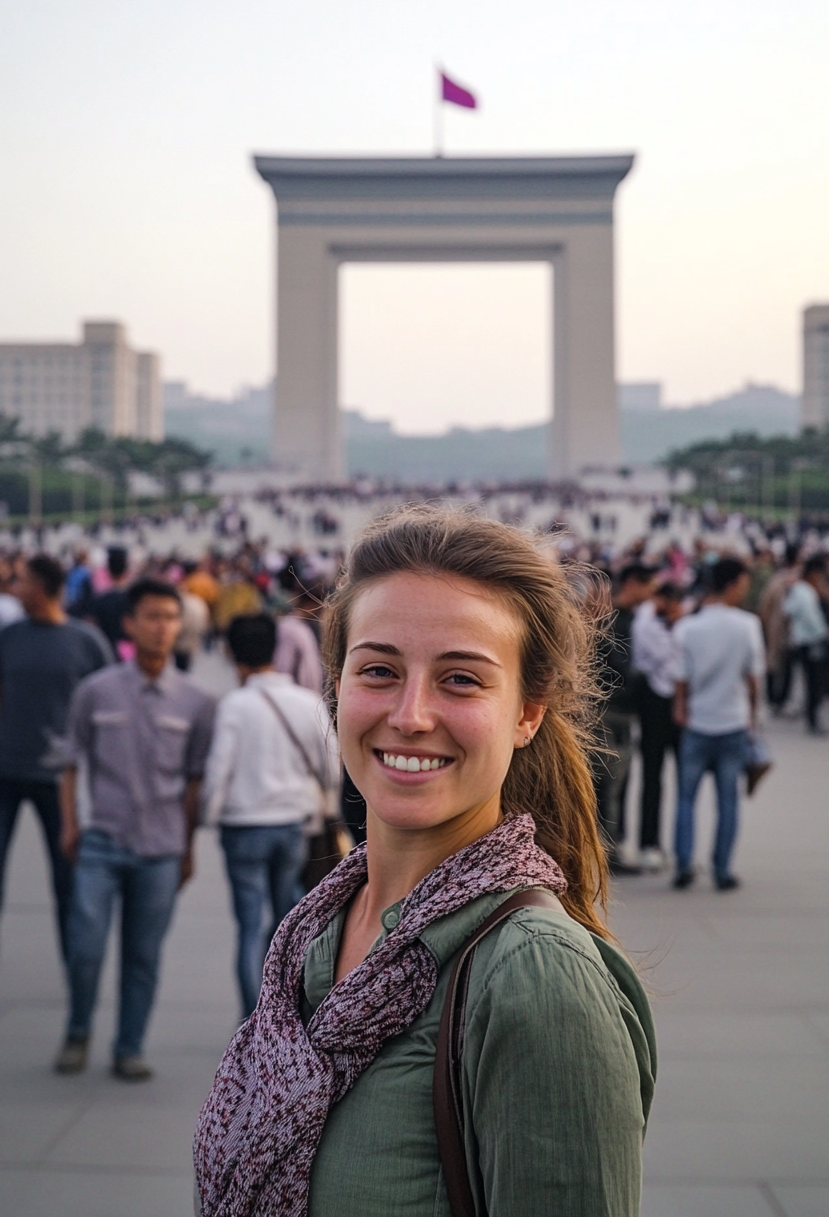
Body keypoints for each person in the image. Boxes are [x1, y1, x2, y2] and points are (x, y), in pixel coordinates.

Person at [194, 507, 656, 1217]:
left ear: (527, 713)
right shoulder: (316, 930)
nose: (410, 714)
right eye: (379, 670)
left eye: (462, 680)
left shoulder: (535, 976)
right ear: (336, 686)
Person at [55, 579, 216, 1081]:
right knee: (85, 947)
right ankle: (78, 1030)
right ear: (129, 624)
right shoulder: (96, 691)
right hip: (102, 841)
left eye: (170, 617)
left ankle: (130, 1045)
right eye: (151, 616)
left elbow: (194, 782)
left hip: (161, 849)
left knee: (142, 956)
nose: (162, 627)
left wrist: (187, 849)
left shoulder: (197, 703)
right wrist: (70, 824)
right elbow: (69, 762)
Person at [203, 613, 339, 1020]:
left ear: (231, 653)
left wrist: (209, 816)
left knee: (248, 923)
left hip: (244, 828)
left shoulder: (235, 705)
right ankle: (286, 1011)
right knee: (287, 922)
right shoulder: (306, 701)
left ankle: (253, 1019)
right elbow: (334, 767)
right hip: (294, 825)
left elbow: (218, 773)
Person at [0, 555, 111, 958]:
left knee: (68, 884)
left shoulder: (86, 642)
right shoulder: (8, 636)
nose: (15, 587)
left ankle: (76, 967)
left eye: (23, 581)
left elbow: (106, 709)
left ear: (44, 588)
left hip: (59, 779)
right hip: (6, 771)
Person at [672, 557, 765, 891]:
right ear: (732, 583)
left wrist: (681, 708)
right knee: (728, 800)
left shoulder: (688, 627)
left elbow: (680, 678)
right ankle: (722, 868)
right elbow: (753, 679)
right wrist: (754, 717)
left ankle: (683, 862)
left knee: (686, 797)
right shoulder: (747, 625)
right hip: (733, 721)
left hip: (697, 721)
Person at [590, 563, 655, 875]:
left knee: (611, 784)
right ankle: (609, 852)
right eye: (649, 586)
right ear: (633, 582)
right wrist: (647, 678)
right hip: (610, 713)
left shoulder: (624, 618)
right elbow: (618, 669)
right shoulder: (615, 620)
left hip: (614, 711)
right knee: (610, 783)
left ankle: (610, 847)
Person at [632, 581, 683, 870]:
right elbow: (668, 657)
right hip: (655, 705)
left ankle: (675, 848)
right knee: (653, 778)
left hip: (673, 703)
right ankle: (649, 842)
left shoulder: (665, 620)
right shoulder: (647, 622)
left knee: (682, 783)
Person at [783, 554, 829, 734]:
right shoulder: (805, 592)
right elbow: (812, 619)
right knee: (814, 683)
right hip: (812, 641)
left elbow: (787, 610)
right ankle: (813, 720)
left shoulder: (798, 590)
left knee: (810, 682)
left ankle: (812, 717)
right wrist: (823, 634)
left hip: (802, 640)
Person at [758, 544, 799, 713]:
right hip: (787, 629)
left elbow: (764, 605)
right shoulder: (794, 579)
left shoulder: (776, 579)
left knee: (774, 664)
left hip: (775, 627)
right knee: (784, 665)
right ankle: (780, 699)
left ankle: (774, 698)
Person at [274, 580, 324, 694]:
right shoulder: (289, 628)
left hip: (308, 697)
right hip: (295, 695)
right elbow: (284, 666)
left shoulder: (304, 628)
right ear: (312, 605)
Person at [88, 546, 131, 659]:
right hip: (130, 655)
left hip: (107, 652)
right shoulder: (134, 600)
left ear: (109, 570)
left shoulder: (99, 600)